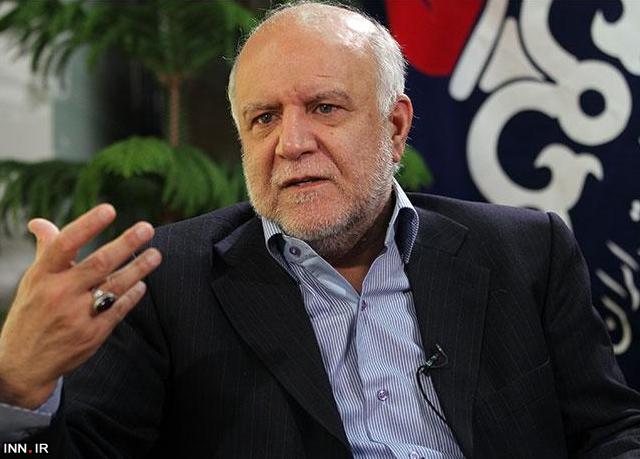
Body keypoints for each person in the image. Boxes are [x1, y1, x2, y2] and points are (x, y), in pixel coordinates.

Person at [1, 2, 639, 457]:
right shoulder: (165, 282)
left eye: (324, 108)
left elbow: (611, 432)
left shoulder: (526, 252)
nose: (291, 143)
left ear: (395, 128)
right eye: (263, 119)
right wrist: (18, 393)